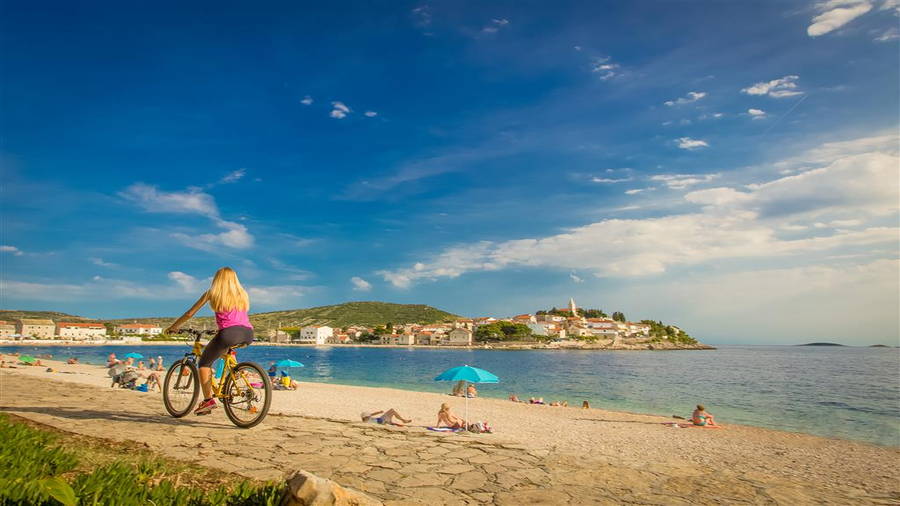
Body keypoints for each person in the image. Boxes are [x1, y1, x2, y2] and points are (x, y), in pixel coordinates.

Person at [165, 267, 255, 416]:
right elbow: (235, 318)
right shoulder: (242, 294)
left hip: (229, 333)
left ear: (217, 279)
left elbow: (190, 313)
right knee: (224, 349)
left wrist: (174, 326)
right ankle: (235, 373)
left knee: (204, 364)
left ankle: (208, 401)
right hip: (247, 333)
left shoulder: (212, 292)